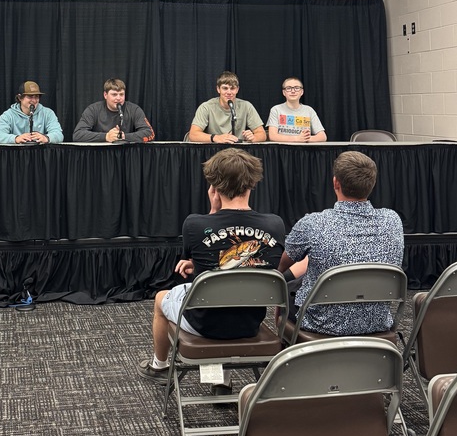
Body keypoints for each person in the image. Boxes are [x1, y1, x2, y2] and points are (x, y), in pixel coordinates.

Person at [138, 148, 285, 383]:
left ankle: (160, 366)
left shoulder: (194, 224)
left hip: (204, 324)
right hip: (250, 323)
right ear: (252, 184)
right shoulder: (275, 224)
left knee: (160, 298)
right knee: (229, 294)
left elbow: (207, 260)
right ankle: (221, 382)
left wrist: (213, 212)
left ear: (214, 187)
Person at [278, 151, 404, 334]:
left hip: (320, 325)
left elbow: (283, 264)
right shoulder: (393, 220)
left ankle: (287, 356)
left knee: (286, 290)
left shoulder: (312, 223)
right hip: (376, 323)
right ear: (372, 184)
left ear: (335, 182)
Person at [187, 71, 266, 144]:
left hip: (237, 152)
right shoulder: (206, 107)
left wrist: (253, 137)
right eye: (225, 88)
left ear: (237, 90)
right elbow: (193, 134)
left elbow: (262, 134)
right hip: (214, 150)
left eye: (232, 88)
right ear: (218, 89)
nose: (229, 92)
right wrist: (216, 138)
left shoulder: (246, 106)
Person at [73, 78, 154, 143]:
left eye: (121, 94)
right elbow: (77, 135)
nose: (118, 98)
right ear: (105, 95)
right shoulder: (93, 110)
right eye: (114, 94)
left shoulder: (134, 109)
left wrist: (124, 136)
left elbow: (150, 133)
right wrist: (106, 137)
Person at [0, 81, 64, 145]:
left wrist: (47, 138)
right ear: (20, 98)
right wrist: (16, 138)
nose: (34, 100)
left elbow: (59, 135)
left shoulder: (48, 113)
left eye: (37, 97)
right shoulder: (8, 115)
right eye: (30, 96)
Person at [266, 76, 327, 143]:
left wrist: (305, 138)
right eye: (288, 88)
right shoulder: (276, 110)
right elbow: (272, 136)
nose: (293, 91)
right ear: (284, 92)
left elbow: (323, 136)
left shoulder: (309, 110)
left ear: (302, 92)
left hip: (304, 151)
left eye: (297, 88)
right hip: (282, 151)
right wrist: (297, 138)